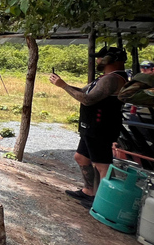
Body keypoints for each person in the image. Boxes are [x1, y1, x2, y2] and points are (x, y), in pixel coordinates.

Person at [49, 47, 128, 208]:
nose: (98, 60)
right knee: (81, 157)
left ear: (109, 60)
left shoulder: (112, 79)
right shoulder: (104, 78)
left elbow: (87, 100)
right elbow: (82, 93)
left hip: (102, 127)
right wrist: (63, 85)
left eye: (100, 58)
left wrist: (63, 86)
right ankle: (89, 191)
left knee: (102, 165)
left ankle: (102, 201)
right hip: (91, 126)